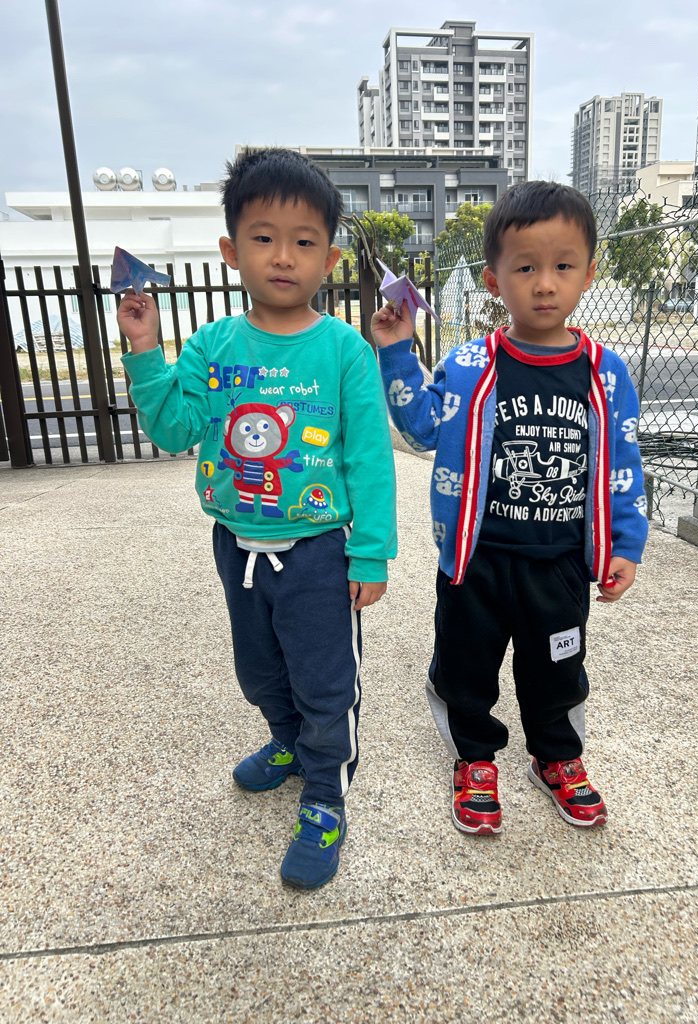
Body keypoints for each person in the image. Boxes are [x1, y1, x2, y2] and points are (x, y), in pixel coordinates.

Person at [117, 147, 396, 888]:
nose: (282, 256)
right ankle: (285, 742)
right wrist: (144, 350)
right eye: (263, 237)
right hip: (235, 547)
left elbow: (369, 457)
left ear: (329, 259)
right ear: (231, 250)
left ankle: (325, 794)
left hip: (319, 552)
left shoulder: (344, 350)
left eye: (304, 241)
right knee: (259, 668)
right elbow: (175, 429)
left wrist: (371, 553)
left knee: (325, 681)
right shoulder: (212, 346)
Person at [372, 180, 647, 836]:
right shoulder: (471, 364)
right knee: (467, 668)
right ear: (494, 281)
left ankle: (556, 757)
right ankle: (473, 757)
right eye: (525, 268)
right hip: (476, 561)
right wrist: (397, 352)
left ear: (589, 273)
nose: (545, 284)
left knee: (558, 670)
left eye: (563, 266)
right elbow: (420, 427)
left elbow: (623, 464)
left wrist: (626, 545)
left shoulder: (605, 373)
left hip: (559, 564)